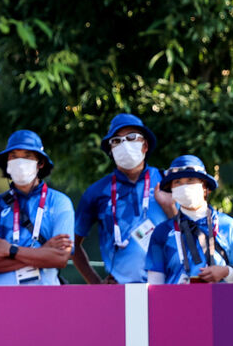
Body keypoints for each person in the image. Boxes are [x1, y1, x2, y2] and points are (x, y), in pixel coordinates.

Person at [71, 113, 174, 283]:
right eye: (116, 141)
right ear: (111, 151)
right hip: (121, 291)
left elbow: (190, 230)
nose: (124, 144)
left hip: (170, 285)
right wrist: (96, 284)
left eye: (132, 137)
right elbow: (72, 244)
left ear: (145, 145)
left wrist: (171, 209)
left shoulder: (166, 182)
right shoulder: (97, 192)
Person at [0, 129, 75, 285]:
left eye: (27, 156)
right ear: (7, 164)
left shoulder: (60, 202)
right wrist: (42, 253)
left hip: (45, 295)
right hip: (0, 297)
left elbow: (60, 258)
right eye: (14, 157)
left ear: (40, 163)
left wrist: (11, 250)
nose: (20, 163)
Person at [145, 155, 233, 284]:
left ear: (204, 186)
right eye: (177, 182)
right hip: (175, 297)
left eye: (190, 180)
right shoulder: (162, 232)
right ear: (172, 189)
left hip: (220, 297)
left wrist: (226, 272)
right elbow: (154, 284)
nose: (184, 186)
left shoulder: (229, 227)